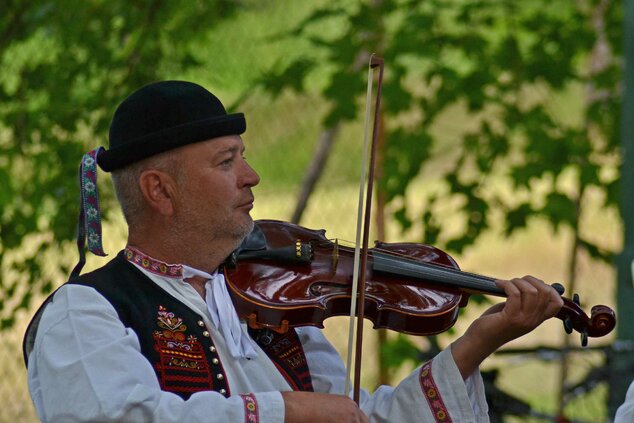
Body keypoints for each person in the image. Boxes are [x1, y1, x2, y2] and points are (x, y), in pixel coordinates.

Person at [23, 80, 564, 423]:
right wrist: (282, 409)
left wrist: (475, 344)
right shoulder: (87, 312)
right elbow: (119, 416)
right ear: (160, 191)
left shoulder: (269, 304)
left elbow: (353, 418)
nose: (252, 177)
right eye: (226, 161)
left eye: (244, 157)